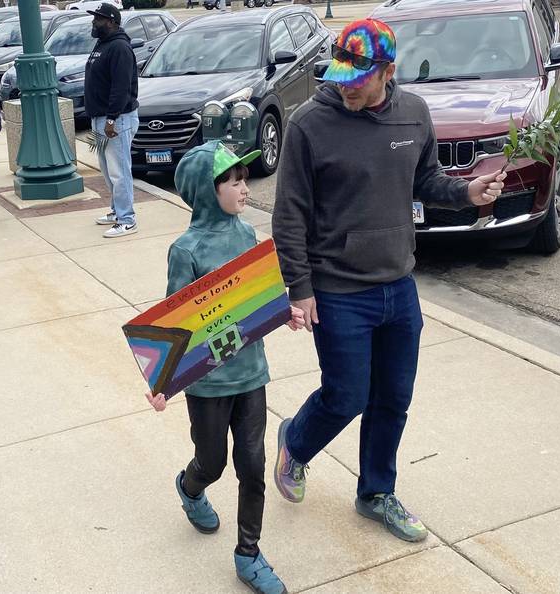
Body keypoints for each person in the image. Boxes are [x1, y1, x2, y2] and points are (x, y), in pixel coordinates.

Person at [270, 18, 506, 542]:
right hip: (337, 289)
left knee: (393, 397)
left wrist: (468, 194)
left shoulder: (414, 115)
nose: (345, 86)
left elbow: (426, 181)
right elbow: (289, 214)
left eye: (358, 78)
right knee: (346, 396)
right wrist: (300, 288)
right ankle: (297, 442)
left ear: (388, 73)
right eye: (339, 76)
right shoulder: (310, 123)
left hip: (399, 285)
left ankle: (376, 492)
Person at [145, 141, 305, 594]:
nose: (244, 187)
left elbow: (253, 301)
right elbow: (177, 323)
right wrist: (163, 382)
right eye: (232, 181)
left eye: (243, 178)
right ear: (203, 190)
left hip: (251, 373)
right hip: (209, 384)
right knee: (212, 463)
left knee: (252, 466)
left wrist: (282, 310)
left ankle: (248, 554)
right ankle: (190, 486)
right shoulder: (186, 250)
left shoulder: (245, 235)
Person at [84, 2, 139, 238]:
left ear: (112, 21)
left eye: (98, 18)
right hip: (101, 119)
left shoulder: (119, 48)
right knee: (107, 171)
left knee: (120, 171)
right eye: (94, 17)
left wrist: (111, 119)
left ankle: (127, 220)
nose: (94, 22)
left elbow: (121, 87)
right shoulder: (102, 44)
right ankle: (117, 211)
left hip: (116, 120)